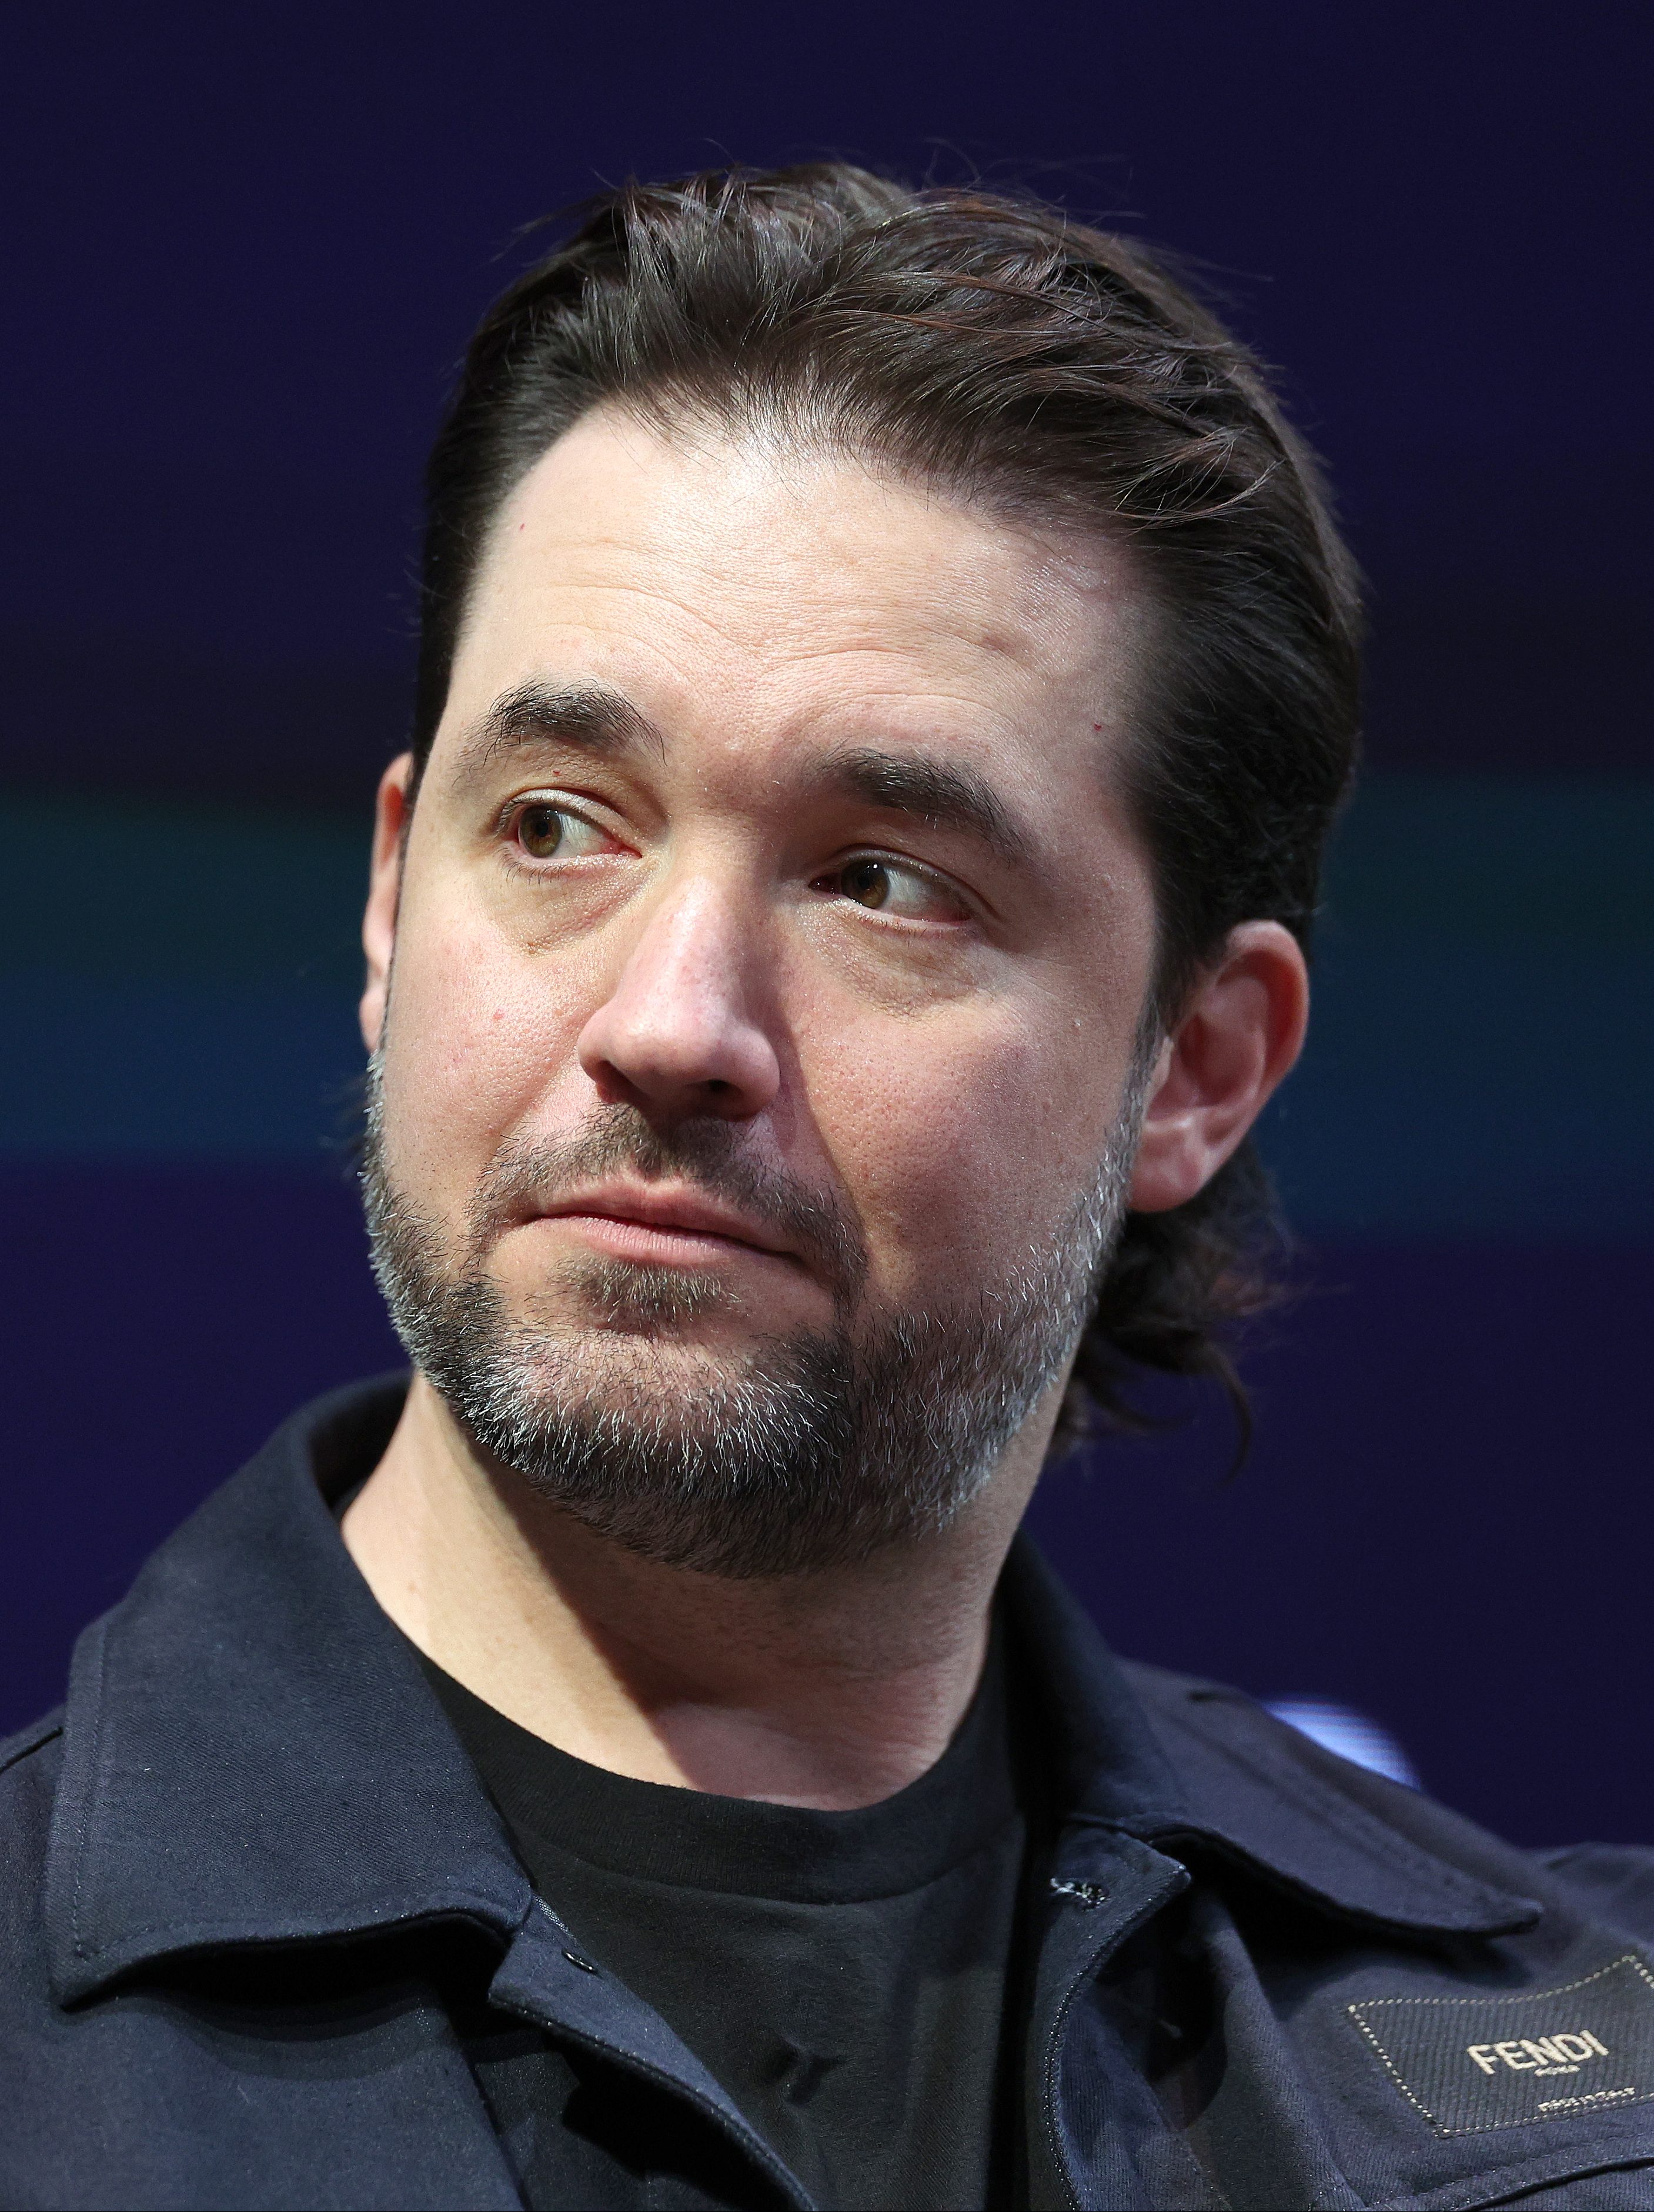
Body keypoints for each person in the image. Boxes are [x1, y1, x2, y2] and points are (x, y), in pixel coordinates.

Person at [3, 165, 1652, 2212]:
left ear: (1196, 1069)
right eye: (560, 823)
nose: (673, 1018)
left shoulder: (1596, 2070)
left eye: (885, 878)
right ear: (387, 898)